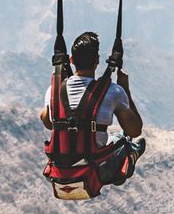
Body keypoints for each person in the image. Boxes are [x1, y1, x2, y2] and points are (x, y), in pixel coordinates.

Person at [40, 31, 145, 184]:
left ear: (71, 60)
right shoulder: (112, 91)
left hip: (62, 168)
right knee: (122, 138)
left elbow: (49, 123)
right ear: (97, 61)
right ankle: (128, 157)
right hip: (96, 168)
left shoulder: (53, 91)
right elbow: (135, 130)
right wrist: (125, 89)